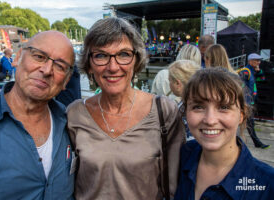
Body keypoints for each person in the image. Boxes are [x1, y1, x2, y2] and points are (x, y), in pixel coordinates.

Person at [67, 17, 185, 200]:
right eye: (101, 56)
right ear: (89, 65)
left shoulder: (164, 112)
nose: (113, 67)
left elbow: (177, 185)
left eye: (123, 54)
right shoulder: (74, 114)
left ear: (136, 60)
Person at [0, 31, 75, 199]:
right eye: (39, 56)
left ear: (66, 80)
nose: (47, 70)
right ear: (18, 57)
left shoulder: (69, 121)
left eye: (60, 66)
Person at [174, 67, 274, 200]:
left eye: (224, 107)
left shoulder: (267, 184)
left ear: (241, 116)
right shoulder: (181, 156)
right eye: (198, 107)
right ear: (186, 112)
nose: (210, 120)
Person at [238, 53, 270, 149]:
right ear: (250, 61)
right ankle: (257, 142)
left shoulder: (252, 71)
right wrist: (244, 101)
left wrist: (259, 71)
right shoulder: (246, 71)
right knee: (249, 122)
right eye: (256, 60)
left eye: (259, 60)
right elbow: (240, 85)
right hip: (245, 102)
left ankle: (256, 142)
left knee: (249, 122)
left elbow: (262, 79)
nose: (258, 62)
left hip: (249, 102)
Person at [168, 60, 200, 141]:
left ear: (177, 83)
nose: (169, 84)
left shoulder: (185, 108)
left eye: (170, 81)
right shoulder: (198, 101)